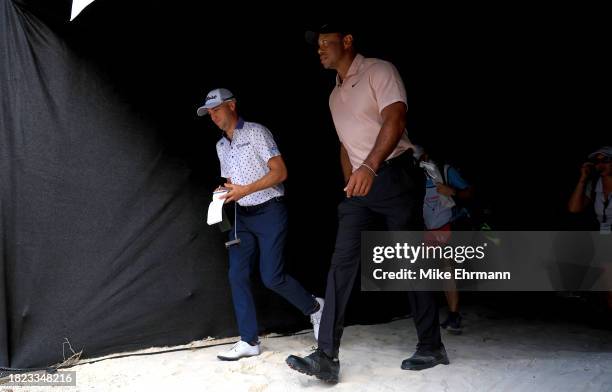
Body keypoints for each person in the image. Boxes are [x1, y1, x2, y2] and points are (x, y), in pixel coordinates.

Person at [285, 24, 448, 383]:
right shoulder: (333, 95)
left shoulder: (379, 70)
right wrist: (351, 180)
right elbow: (346, 144)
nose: (320, 50)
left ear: (347, 41)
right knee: (341, 263)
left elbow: (396, 118)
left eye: (327, 43)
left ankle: (431, 346)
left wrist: (370, 167)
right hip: (361, 188)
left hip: (395, 176)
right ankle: (326, 355)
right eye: (317, 47)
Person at [197, 88, 324, 361]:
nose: (213, 116)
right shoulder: (220, 146)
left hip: (269, 210)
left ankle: (315, 308)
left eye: (217, 109)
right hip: (242, 216)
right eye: (210, 112)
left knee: (271, 276)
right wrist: (224, 192)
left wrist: (245, 190)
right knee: (236, 275)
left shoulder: (256, 132)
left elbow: (281, 172)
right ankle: (249, 341)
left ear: (231, 105)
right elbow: (232, 182)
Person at [416, 145, 474, 335]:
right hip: (424, 227)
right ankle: (429, 315)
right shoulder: (411, 173)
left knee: (447, 270)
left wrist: (452, 191)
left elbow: (469, 192)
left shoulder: (445, 170)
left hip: (447, 224)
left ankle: (453, 315)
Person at [568, 146, 612, 310]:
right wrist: (583, 179)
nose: (600, 164)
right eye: (597, 161)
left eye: (606, 160)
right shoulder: (594, 185)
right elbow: (574, 208)